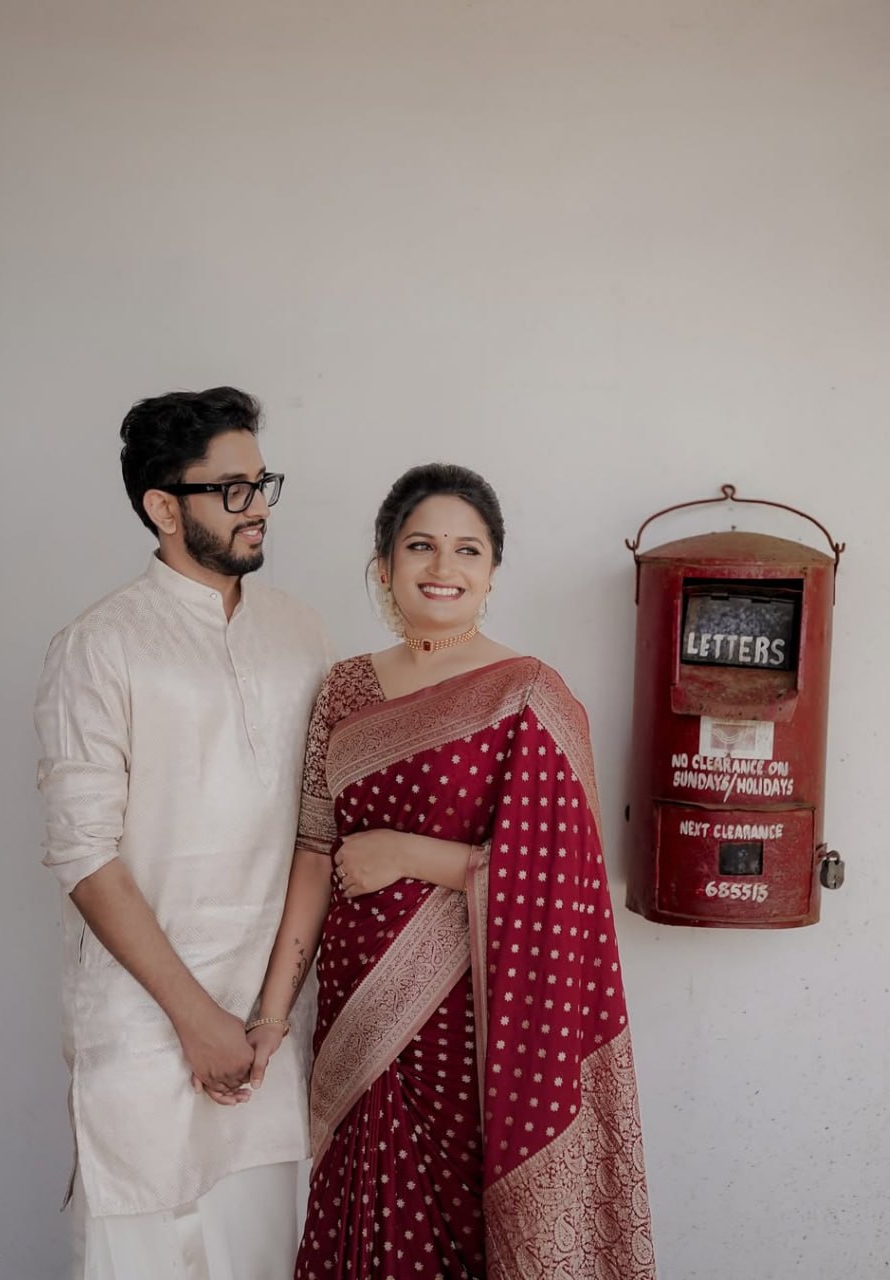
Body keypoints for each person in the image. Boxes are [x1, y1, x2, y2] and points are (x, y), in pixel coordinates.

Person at [248, 463, 656, 1279]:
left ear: (493, 571)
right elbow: (311, 855)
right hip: (357, 1018)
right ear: (385, 563)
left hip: (478, 1029)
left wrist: (411, 854)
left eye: (467, 550)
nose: (444, 568)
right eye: (421, 546)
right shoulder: (345, 690)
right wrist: (268, 1016)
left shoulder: (529, 695)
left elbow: (565, 881)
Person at [34, 387, 332, 1280]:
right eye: (232, 489)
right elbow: (85, 854)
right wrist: (198, 1021)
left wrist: (264, 1018)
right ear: (163, 507)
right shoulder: (100, 645)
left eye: (263, 483)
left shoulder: (301, 634)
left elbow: (316, 834)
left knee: (265, 1254)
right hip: (148, 1029)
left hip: (274, 1028)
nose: (259, 507)